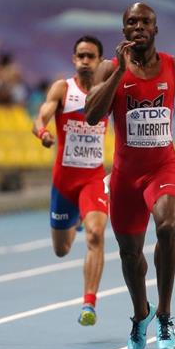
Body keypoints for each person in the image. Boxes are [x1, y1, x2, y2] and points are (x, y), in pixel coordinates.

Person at [84, 3, 175, 349]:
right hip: (125, 177)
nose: (138, 27)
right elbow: (92, 116)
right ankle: (142, 312)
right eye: (131, 22)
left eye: (145, 22)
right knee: (130, 255)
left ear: (156, 29)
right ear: (123, 31)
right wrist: (116, 75)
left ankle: (165, 315)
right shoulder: (110, 69)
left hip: (162, 168)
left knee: (167, 227)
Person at [32, 35, 109, 326]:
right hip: (64, 183)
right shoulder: (63, 89)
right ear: (74, 59)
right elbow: (40, 119)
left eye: (91, 56)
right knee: (61, 249)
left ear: (100, 61)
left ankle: (89, 303)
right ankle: (74, 216)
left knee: (96, 235)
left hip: (93, 179)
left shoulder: (105, 92)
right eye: (81, 56)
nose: (86, 61)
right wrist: (43, 133)